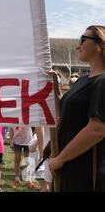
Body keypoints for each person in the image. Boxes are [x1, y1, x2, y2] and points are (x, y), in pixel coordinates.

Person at [48, 25, 105, 192]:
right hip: (69, 165)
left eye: (83, 39)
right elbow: (64, 115)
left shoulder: (102, 82)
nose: (77, 46)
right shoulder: (83, 80)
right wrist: (55, 88)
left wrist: (60, 159)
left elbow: (98, 129)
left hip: (86, 169)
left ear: (100, 45)